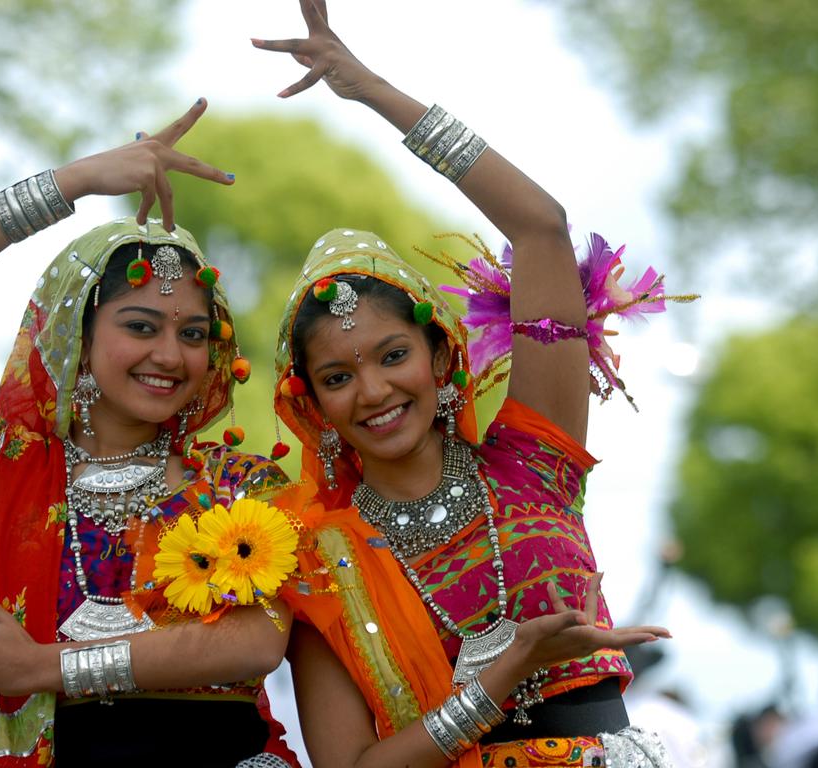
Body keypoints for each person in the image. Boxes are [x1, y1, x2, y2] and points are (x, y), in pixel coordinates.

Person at [255, 2, 683, 766]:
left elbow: (541, 228)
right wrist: (498, 683)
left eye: (392, 356)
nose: (375, 391)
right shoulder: (317, 560)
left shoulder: (532, 462)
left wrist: (373, 89)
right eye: (337, 376)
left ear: (442, 358)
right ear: (311, 404)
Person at [0, 101, 299, 767]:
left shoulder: (239, 482)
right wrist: (72, 182)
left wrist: (48, 668)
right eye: (140, 326)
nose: (171, 354)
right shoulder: (1, 470)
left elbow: (253, 644)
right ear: (75, 335)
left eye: (193, 333)